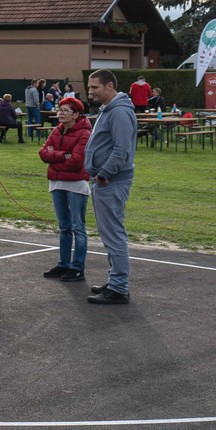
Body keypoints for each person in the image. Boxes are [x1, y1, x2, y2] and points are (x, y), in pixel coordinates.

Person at [83, 70, 136, 305]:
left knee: (114, 235)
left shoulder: (120, 112)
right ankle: (115, 281)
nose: (90, 91)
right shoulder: (109, 110)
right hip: (106, 180)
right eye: (89, 86)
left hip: (112, 181)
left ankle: (119, 287)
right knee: (109, 235)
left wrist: (103, 174)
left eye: (95, 87)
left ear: (110, 87)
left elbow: (121, 149)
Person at [38, 94, 92, 283]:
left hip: (76, 184)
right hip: (57, 182)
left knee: (78, 226)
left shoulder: (85, 133)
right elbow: (43, 153)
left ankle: (77, 268)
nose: (60, 113)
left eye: (65, 111)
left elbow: (77, 162)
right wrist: (63, 156)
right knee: (64, 227)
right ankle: (63, 264)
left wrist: (55, 159)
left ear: (76, 114)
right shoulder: (56, 130)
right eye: (59, 110)